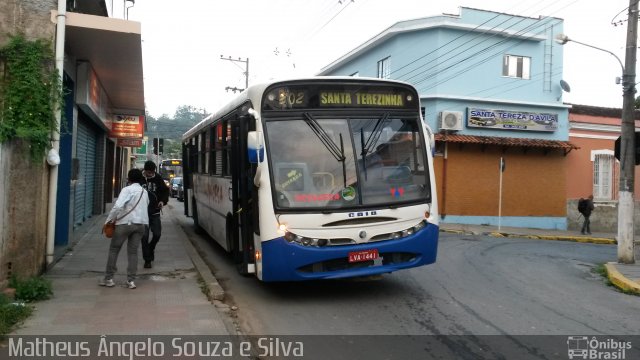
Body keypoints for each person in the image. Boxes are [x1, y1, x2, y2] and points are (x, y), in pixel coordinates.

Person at [100, 168, 149, 289]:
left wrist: (108, 220)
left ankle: (109, 279)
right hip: (140, 225)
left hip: (125, 224)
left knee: (114, 250)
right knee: (133, 252)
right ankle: (131, 281)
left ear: (129, 179)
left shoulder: (127, 190)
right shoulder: (144, 192)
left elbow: (117, 207)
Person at [141, 160, 170, 268]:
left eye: (153, 172)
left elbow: (165, 191)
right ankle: (147, 260)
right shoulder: (139, 179)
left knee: (157, 234)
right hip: (142, 214)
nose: (151, 174)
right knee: (144, 237)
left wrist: (162, 201)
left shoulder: (157, 178)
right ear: (145, 171)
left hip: (155, 211)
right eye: (149, 172)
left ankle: (151, 248)